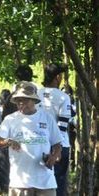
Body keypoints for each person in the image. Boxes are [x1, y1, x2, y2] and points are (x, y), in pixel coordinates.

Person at [0, 81, 62, 196]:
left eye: (25, 100)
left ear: (34, 101)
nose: (21, 103)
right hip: (20, 183)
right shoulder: (10, 119)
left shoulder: (46, 118)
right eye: (18, 100)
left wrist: (54, 156)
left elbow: (57, 144)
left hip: (45, 182)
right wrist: (8, 141)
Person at [38, 63, 72, 196]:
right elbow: (62, 126)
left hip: (39, 143)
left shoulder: (36, 94)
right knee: (58, 183)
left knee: (41, 183)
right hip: (60, 146)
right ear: (57, 77)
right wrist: (56, 149)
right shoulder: (63, 97)